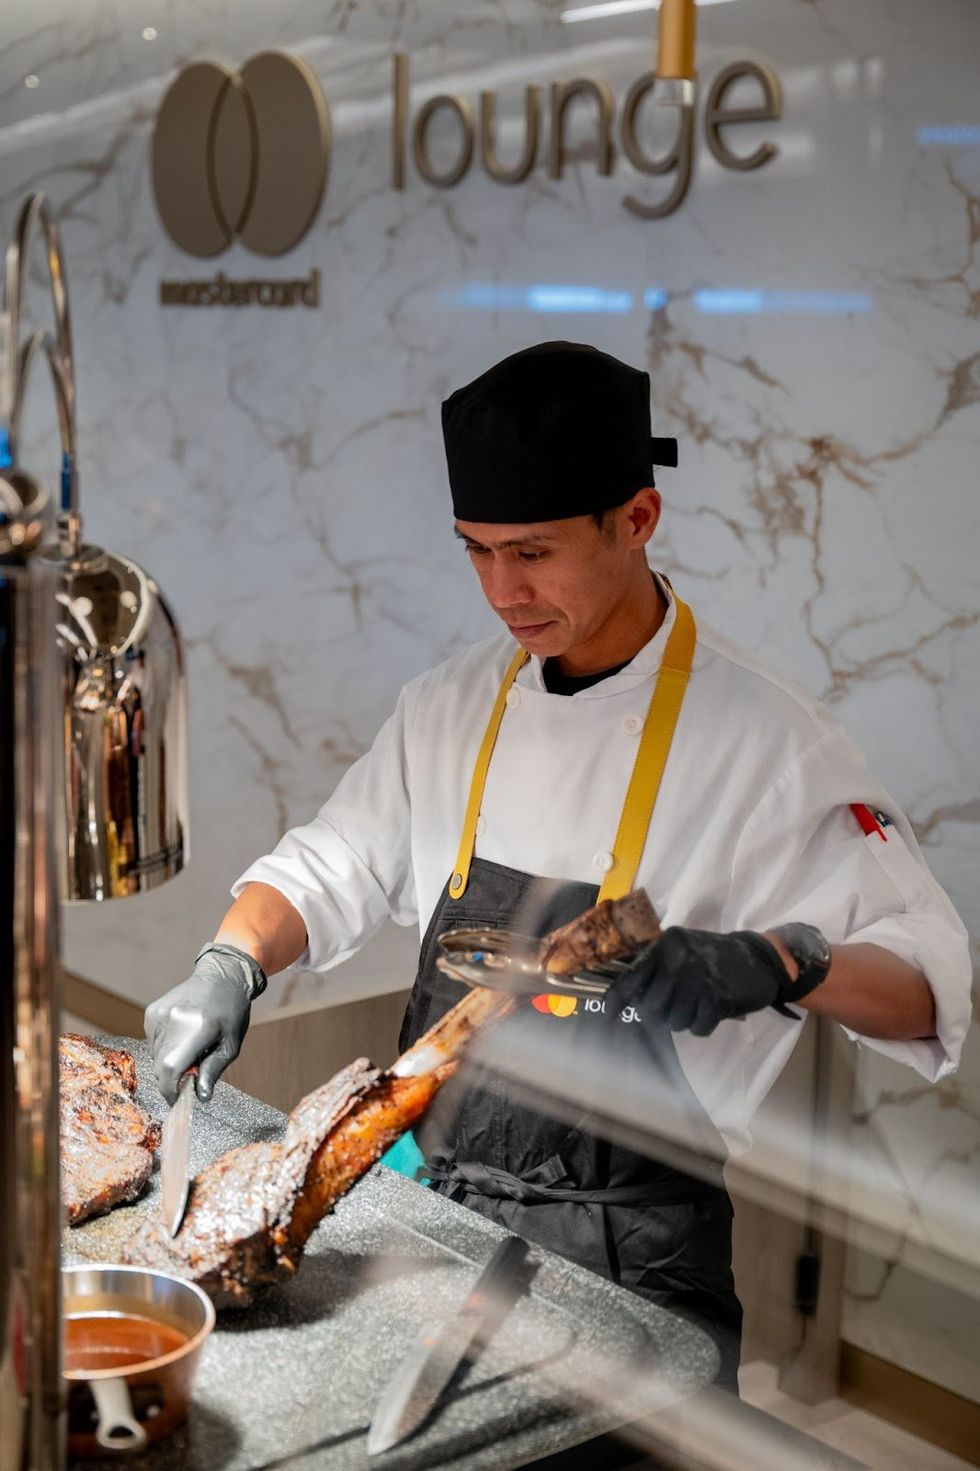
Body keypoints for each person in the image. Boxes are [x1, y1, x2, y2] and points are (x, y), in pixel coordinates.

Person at [145, 341, 971, 1392]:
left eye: (532, 552)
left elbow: (925, 982)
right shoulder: (449, 706)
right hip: (431, 1210)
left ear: (637, 518)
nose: (503, 590)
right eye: (477, 551)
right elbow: (332, 859)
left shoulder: (771, 742)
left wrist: (775, 962)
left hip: (633, 1261)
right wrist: (232, 958)